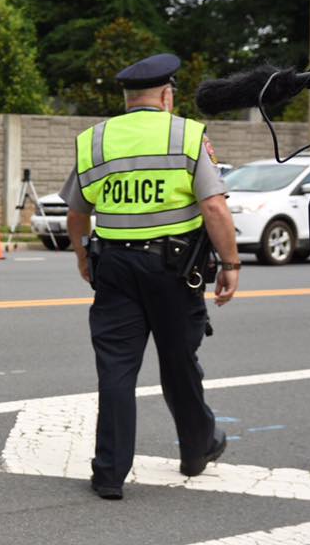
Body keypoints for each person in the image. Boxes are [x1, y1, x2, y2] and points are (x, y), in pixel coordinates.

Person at [63, 53, 241, 500]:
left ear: (126, 99)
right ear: (166, 95)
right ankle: (197, 450)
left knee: (116, 370)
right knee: (179, 363)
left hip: (115, 267)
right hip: (174, 269)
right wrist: (232, 264)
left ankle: (108, 474)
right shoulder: (186, 133)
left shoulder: (95, 140)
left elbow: (76, 212)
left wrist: (84, 256)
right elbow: (214, 206)